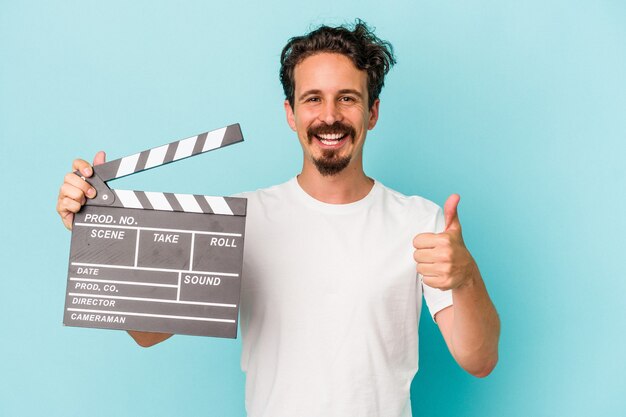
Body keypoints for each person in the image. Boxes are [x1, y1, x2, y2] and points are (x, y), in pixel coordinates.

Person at [57, 20, 500, 417]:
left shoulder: (419, 221)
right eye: (313, 99)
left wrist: (465, 276)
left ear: (372, 112)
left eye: (347, 98)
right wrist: (98, 234)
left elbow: (478, 360)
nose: (329, 116)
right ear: (290, 114)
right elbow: (147, 333)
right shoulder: (241, 221)